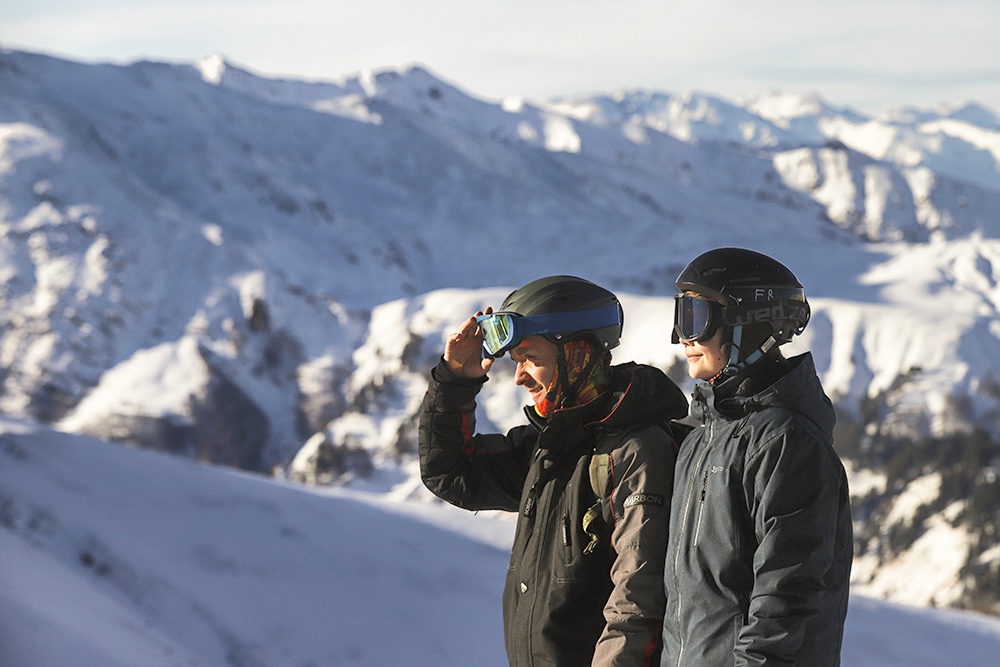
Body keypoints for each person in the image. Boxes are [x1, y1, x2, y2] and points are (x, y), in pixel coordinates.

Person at [419, 275, 689, 666]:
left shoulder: (635, 451)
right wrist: (455, 379)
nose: (519, 376)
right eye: (516, 361)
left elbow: (638, 598)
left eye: (531, 359)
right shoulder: (549, 449)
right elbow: (451, 471)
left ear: (576, 353)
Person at [660, 247, 853, 667]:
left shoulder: (786, 443)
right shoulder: (702, 439)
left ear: (746, 324)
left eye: (696, 316)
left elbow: (785, 596)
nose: (683, 337)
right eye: (681, 315)